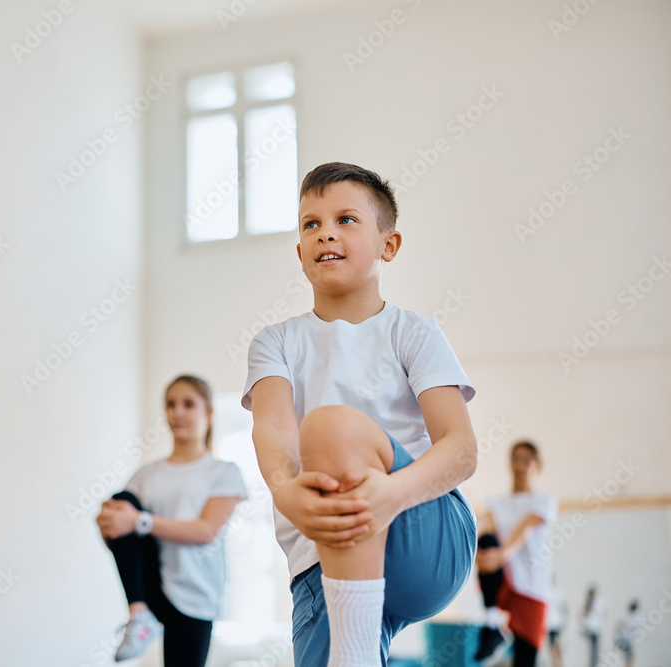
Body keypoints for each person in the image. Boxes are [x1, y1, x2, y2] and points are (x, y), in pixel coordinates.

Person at [242, 162, 478, 667]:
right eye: (311, 224)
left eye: (346, 219)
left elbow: (460, 450)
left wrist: (391, 495)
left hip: (421, 529)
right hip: (321, 554)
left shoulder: (414, 333)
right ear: (300, 253)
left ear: (388, 245)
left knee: (331, 426)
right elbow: (273, 429)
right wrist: (286, 493)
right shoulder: (275, 343)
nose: (325, 232)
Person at [98, 375, 247, 667]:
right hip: (153, 585)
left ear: (209, 413)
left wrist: (138, 521)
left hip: (195, 595)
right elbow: (117, 529)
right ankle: (139, 614)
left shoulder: (223, 472)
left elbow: (206, 531)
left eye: (188, 404)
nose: (177, 412)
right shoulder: (146, 475)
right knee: (121, 498)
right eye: (170, 404)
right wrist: (110, 522)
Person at [472, 441, 558, 666]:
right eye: (516, 459)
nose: (520, 465)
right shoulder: (496, 503)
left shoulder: (544, 501)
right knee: (486, 541)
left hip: (532, 589)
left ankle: (496, 630)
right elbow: (486, 530)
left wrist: (502, 554)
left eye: (526, 460)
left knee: (525, 660)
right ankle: (491, 625)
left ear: (537, 466)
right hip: (504, 582)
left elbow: (525, 529)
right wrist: (478, 557)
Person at [580, 585, 606, 667]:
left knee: (595, 650)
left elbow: (603, 613)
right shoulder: (589, 602)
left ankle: (594, 664)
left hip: (595, 629)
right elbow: (584, 614)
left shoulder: (599, 601)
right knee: (593, 649)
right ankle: (592, 664)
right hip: (591, 629)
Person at [547, 578, 569, 667]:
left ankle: (557, 664)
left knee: (553, 646)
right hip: (554, 624)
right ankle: (557, 664)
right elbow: (566, 609)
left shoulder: (549, 593)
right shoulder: (558, 593)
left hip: (553, 624)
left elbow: (565, 608)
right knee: (555, 645)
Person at [613, 599, 641, 667]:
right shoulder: (636, 617)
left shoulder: (625, 616)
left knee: (628, 658)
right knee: (630, 658)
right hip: (627, 641)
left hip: (621, 639)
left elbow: (616, 626)